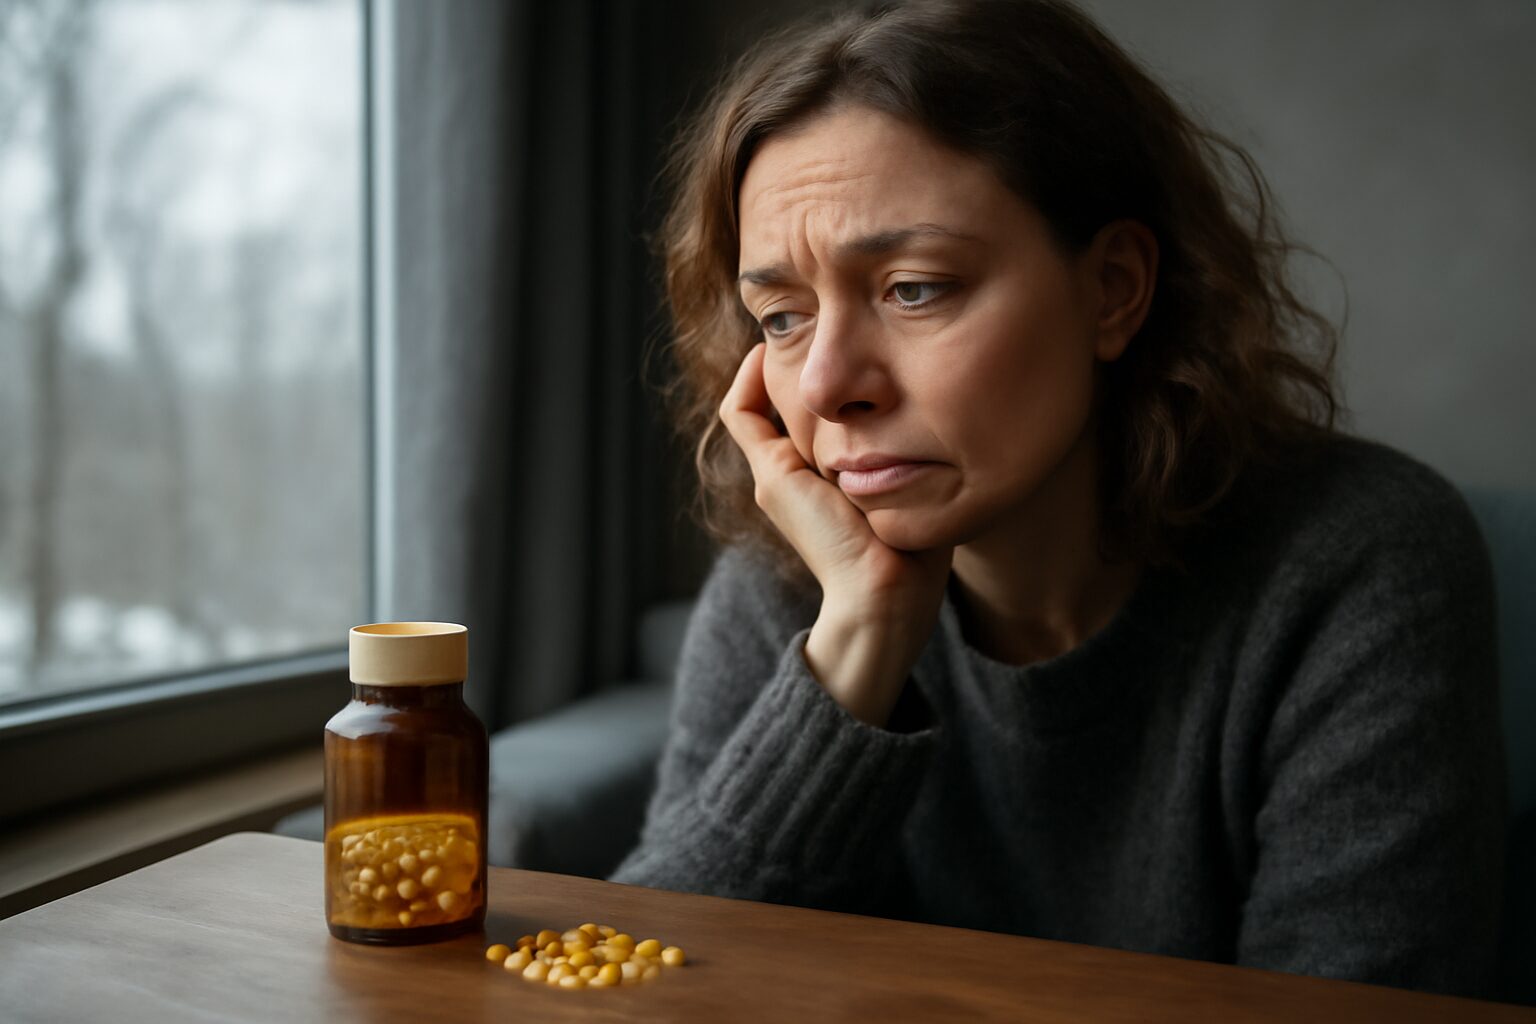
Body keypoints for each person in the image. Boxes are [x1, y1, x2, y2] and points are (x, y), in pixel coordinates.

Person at [610, 0, 1506, 996]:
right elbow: (631, 987)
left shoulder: (1352, 564)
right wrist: (860, 641)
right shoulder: (791, 588)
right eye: (779, 316)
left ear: (1114, 288)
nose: (824, 385)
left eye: (914, 288)